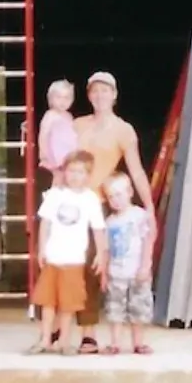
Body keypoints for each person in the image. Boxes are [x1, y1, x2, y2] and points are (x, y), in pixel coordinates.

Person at [70, 71, 156, 355]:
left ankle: (125, 337)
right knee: (79, 267)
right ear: (89, 95)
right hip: (75, 202)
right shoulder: (77, 125)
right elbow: (63, 162)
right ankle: (87, 334)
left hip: (102, 203)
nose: (100, 95)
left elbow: (136, 170)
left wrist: (149, 206)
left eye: (105, 90)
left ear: (114, 95)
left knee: (101, 267)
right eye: (95, 91)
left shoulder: (124, 130)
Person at [28, 150, 108, 356]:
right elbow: (45, 223)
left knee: (68, 304)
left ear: (88, 176)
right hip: (53, 258)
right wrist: (41, 249)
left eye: (80, 172)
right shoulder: (54, 195)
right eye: (71, 171)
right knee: (48, 302)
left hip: (74, 260)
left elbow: (98, 229)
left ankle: (64, 341)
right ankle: (45, 339)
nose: (74, 176)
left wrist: (101, 254)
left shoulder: (91, 199)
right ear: (64, 172)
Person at [101, 172, 154, 355]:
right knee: (115, 309)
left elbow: (147, 242)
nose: (115, 200)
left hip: (137, 272)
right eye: (111, 197)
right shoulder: (109, 222)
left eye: (119, 194)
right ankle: (115, 343)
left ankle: (138, 343)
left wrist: (145, 266)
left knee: (138, 309)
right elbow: (106, 250)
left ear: (130, 192)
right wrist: (104, 273)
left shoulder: (140, 216)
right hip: (116, 274)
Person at [38, 79, 78, 187]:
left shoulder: (69, 116)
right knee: (57, 181)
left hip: (68, 156)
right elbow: (43, 135)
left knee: (68, 181)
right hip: (54, 157)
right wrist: (43, 156)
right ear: (51, 98)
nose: (62, 101)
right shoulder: (50, 115)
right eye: (58, 97)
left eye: (66, 98)